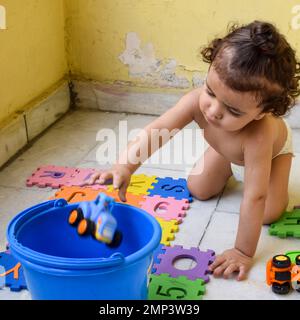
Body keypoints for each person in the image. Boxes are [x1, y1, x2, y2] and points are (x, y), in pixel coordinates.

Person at [88, 21, 300, 280]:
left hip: (274, 153)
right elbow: (157, 131)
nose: (213, 110)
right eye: (210, 92)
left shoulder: (260, 136)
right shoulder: (195, 102)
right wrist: (125, 166)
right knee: (199, 188)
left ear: (263, 112)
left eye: (233, 110)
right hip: (228, 149)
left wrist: (243, 251)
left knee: (268, 213)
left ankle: (239, 164)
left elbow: (255, 196)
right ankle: (228, 163)